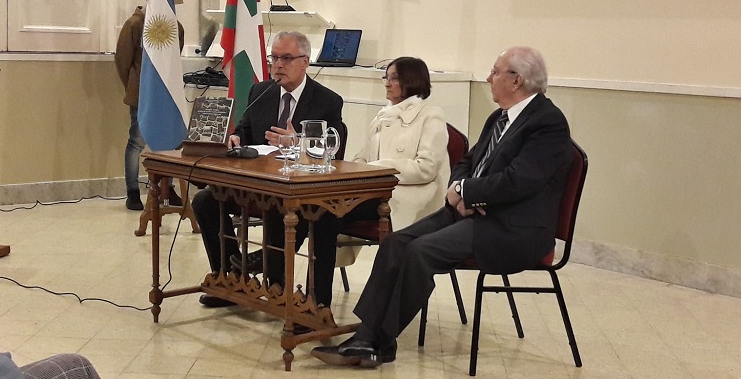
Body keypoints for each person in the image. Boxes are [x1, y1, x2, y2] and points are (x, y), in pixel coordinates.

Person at [311, 46, 573, 368]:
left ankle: (376, 340)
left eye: (494, 71)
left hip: (512, 227)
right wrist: (460, 190)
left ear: (516, 80)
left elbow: (519, 181)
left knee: (421, 251)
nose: (489, 78)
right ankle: (367, 338)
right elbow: (467, 160)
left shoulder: (547, 123)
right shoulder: (499, 117)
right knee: (396, 243)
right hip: (471, 212)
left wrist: (468, 191)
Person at [191, 30, 344, 308]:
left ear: (305, 62)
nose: (278, 65)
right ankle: (231, 278)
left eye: (286, 58)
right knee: (205, 201)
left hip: (296, 191)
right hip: (257, 185)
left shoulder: (327, 101)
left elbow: (336, 152)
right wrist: (235, 137)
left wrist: (298, 141)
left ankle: (276, 287)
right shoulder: (261, 91)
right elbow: (244, 131)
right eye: (274, 57)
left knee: (279, 212)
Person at [336, 57, 450, 268]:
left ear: (412, 80)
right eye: (386, 77)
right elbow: (363, 157)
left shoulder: (431, 115)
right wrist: (351, 171)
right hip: (376, 193)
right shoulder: (383, 115)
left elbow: (426, 168)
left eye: (394, 78)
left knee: (332, 213)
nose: (387, 83)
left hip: (408, 197)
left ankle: (310, 288)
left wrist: (379, 168)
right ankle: (313, 289)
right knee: (322, 209)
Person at [115, 4, 185, 211]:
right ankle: (133, 192)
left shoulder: (175, 26)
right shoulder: (135, 24)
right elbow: (122, 60)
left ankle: (167, 188)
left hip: (166, 93)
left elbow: (174, 58)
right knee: (137, 142)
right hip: (142, 92)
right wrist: (133, 86)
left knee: (168, 143)